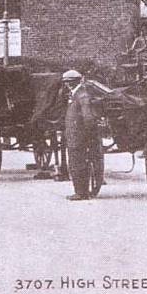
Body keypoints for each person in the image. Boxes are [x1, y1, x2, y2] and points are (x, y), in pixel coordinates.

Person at [61, 70, 98, 200]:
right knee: (76, 164)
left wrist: (86, 135)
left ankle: (81, 193)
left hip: (78, 136)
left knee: (78, 164)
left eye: (66, 82)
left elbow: (88, 117)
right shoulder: (76, 94)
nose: (66, 85)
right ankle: (81, 191)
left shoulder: (81, 96)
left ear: (70, 83)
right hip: (74, 135)